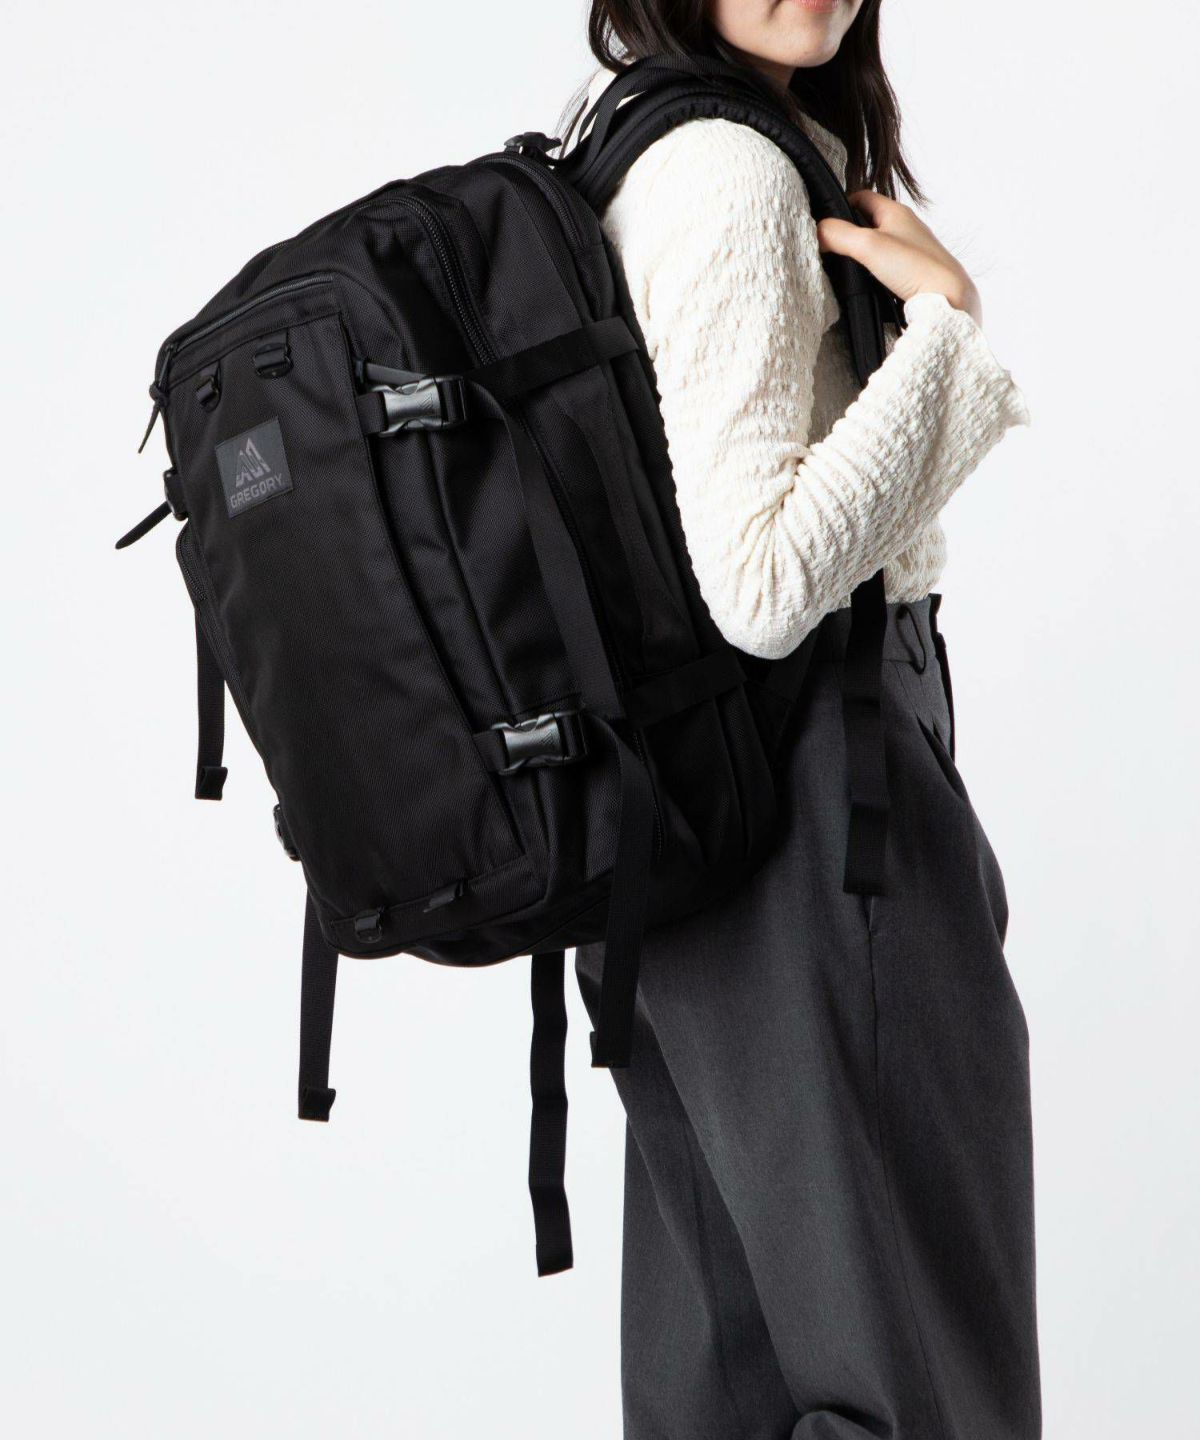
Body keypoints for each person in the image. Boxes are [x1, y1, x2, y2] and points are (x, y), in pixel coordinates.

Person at [565, 4, 1041, 1437]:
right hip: (819, 803)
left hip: (684, 827)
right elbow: (763, 584)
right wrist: (947, 334)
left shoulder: (631, 135)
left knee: (731, 1388)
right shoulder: (727, 174)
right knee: (921, 1375)